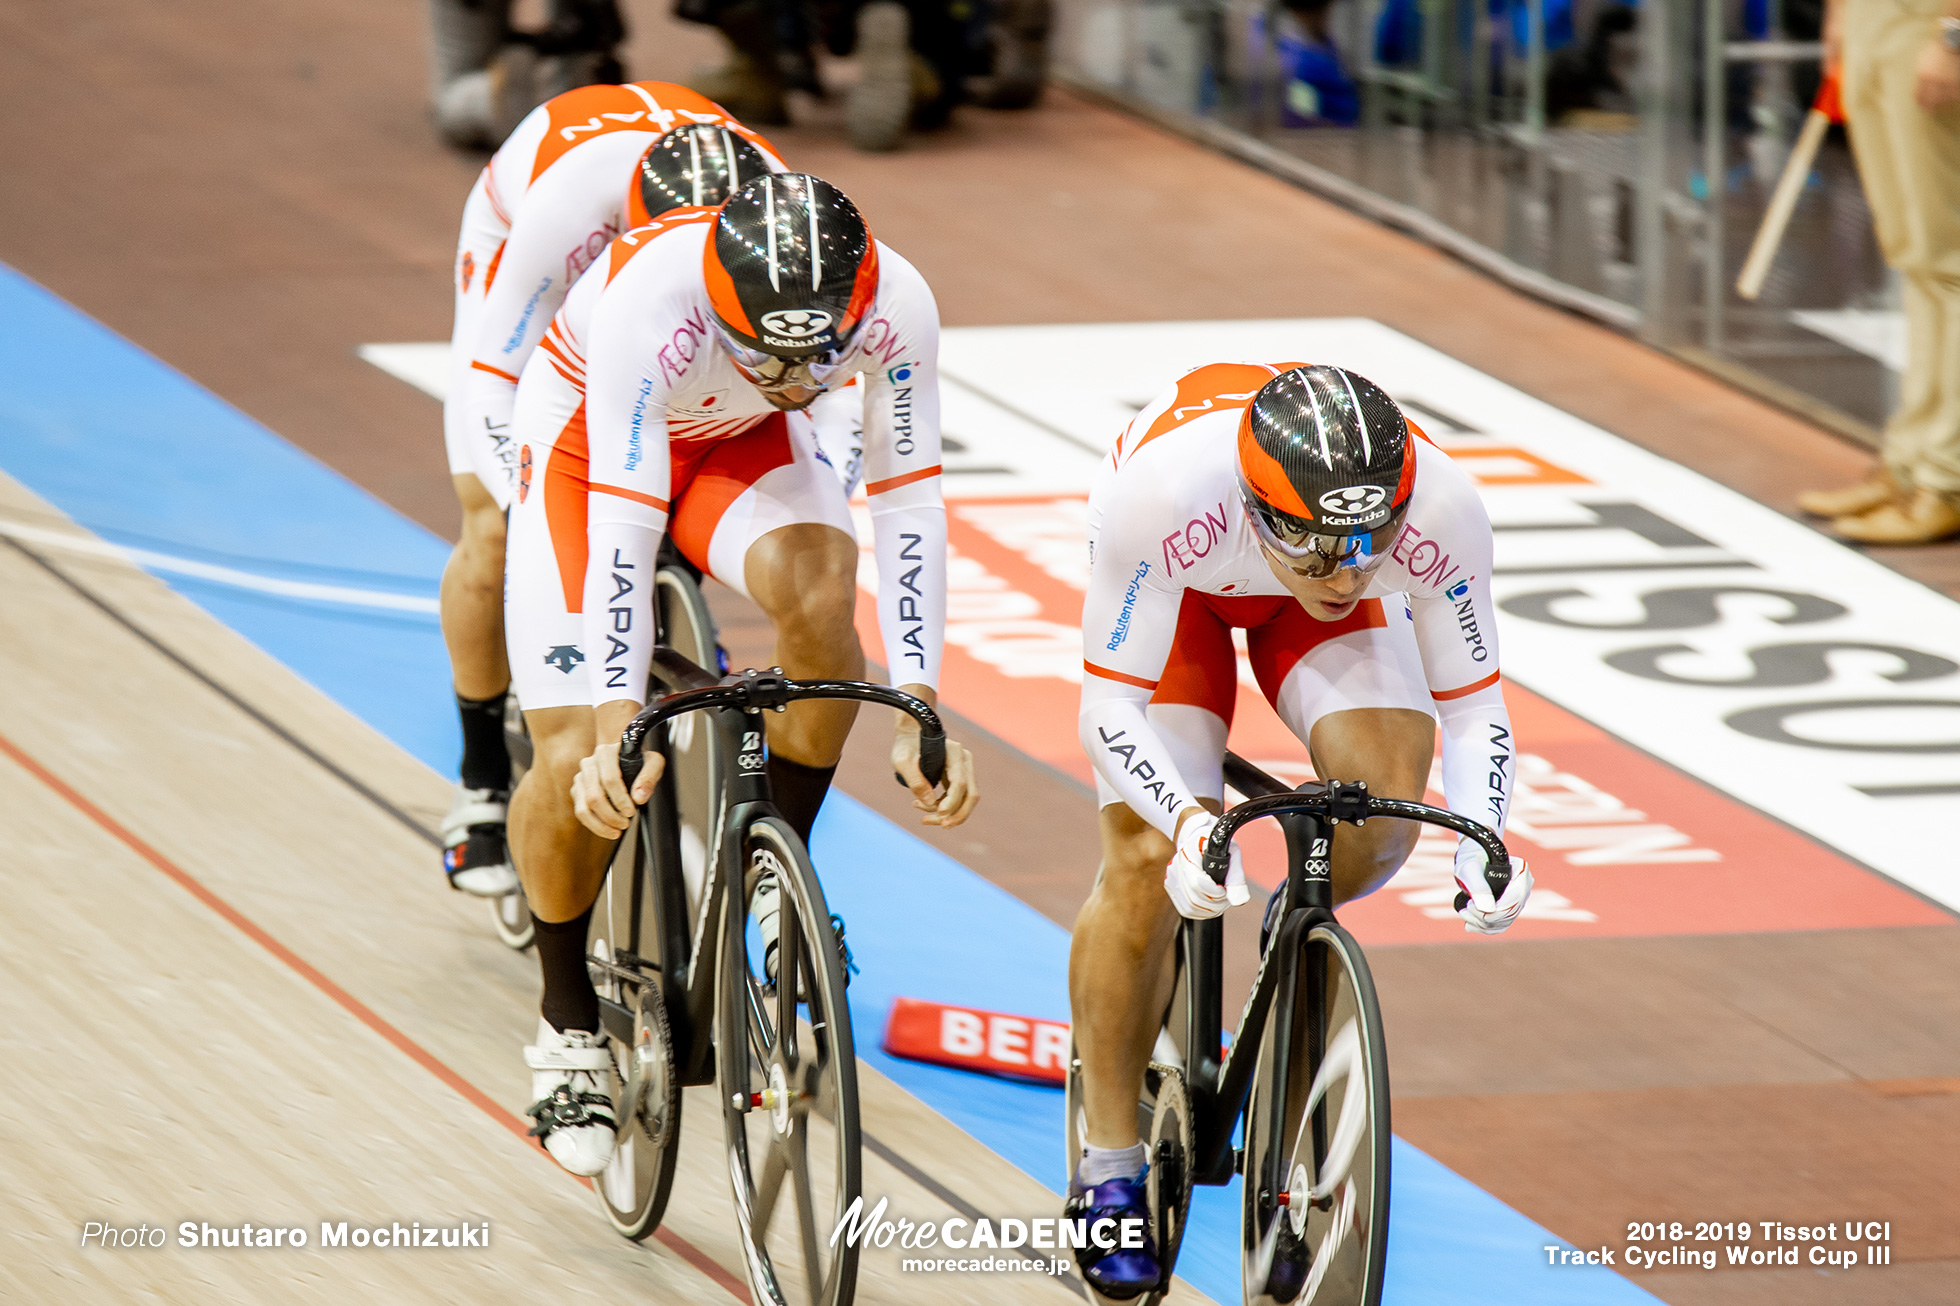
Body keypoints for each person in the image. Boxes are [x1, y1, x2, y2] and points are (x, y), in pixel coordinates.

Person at [501, 173, 980, 1175]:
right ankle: (564, 1018)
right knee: (571, 768)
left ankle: (774, 876)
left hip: (734, 439)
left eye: (817, 358)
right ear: (726, 309)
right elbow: (624, 524)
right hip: (591, 446)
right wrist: (609, 723)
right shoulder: (652, 297)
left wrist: (922, 701)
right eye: (770, 351)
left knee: (822, 587)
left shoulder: (899, 302)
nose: (798, 376)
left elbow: (908, 502)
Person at [1066, 362, 1532, 1296]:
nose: (1349, 571)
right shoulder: (1161, 497)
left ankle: (1289, 945)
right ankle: (1106, 1159)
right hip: (1182, 596)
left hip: (1292, 597)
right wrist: (1188, 817)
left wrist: (1484, 836)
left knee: (1383, 809)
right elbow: (1108, 708)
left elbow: (1477, 710)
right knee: (1149, 858)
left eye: (1369, 545)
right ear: (1258, 508)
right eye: (1320, 550)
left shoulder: (1437, 510)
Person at [439, 91, 794, 900]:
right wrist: (537, 506)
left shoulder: (773, 211)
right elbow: (493, 379)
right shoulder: (572, 204)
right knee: (495, 527)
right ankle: (480, 782)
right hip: (524, 253)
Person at [1798, 0, 1960, 543]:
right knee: (1914, 256)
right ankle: (1910, 466)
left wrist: (1954, 35)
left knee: (1949, 262)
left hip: (1929, 21)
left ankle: (1946, 480)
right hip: (1878, 23)